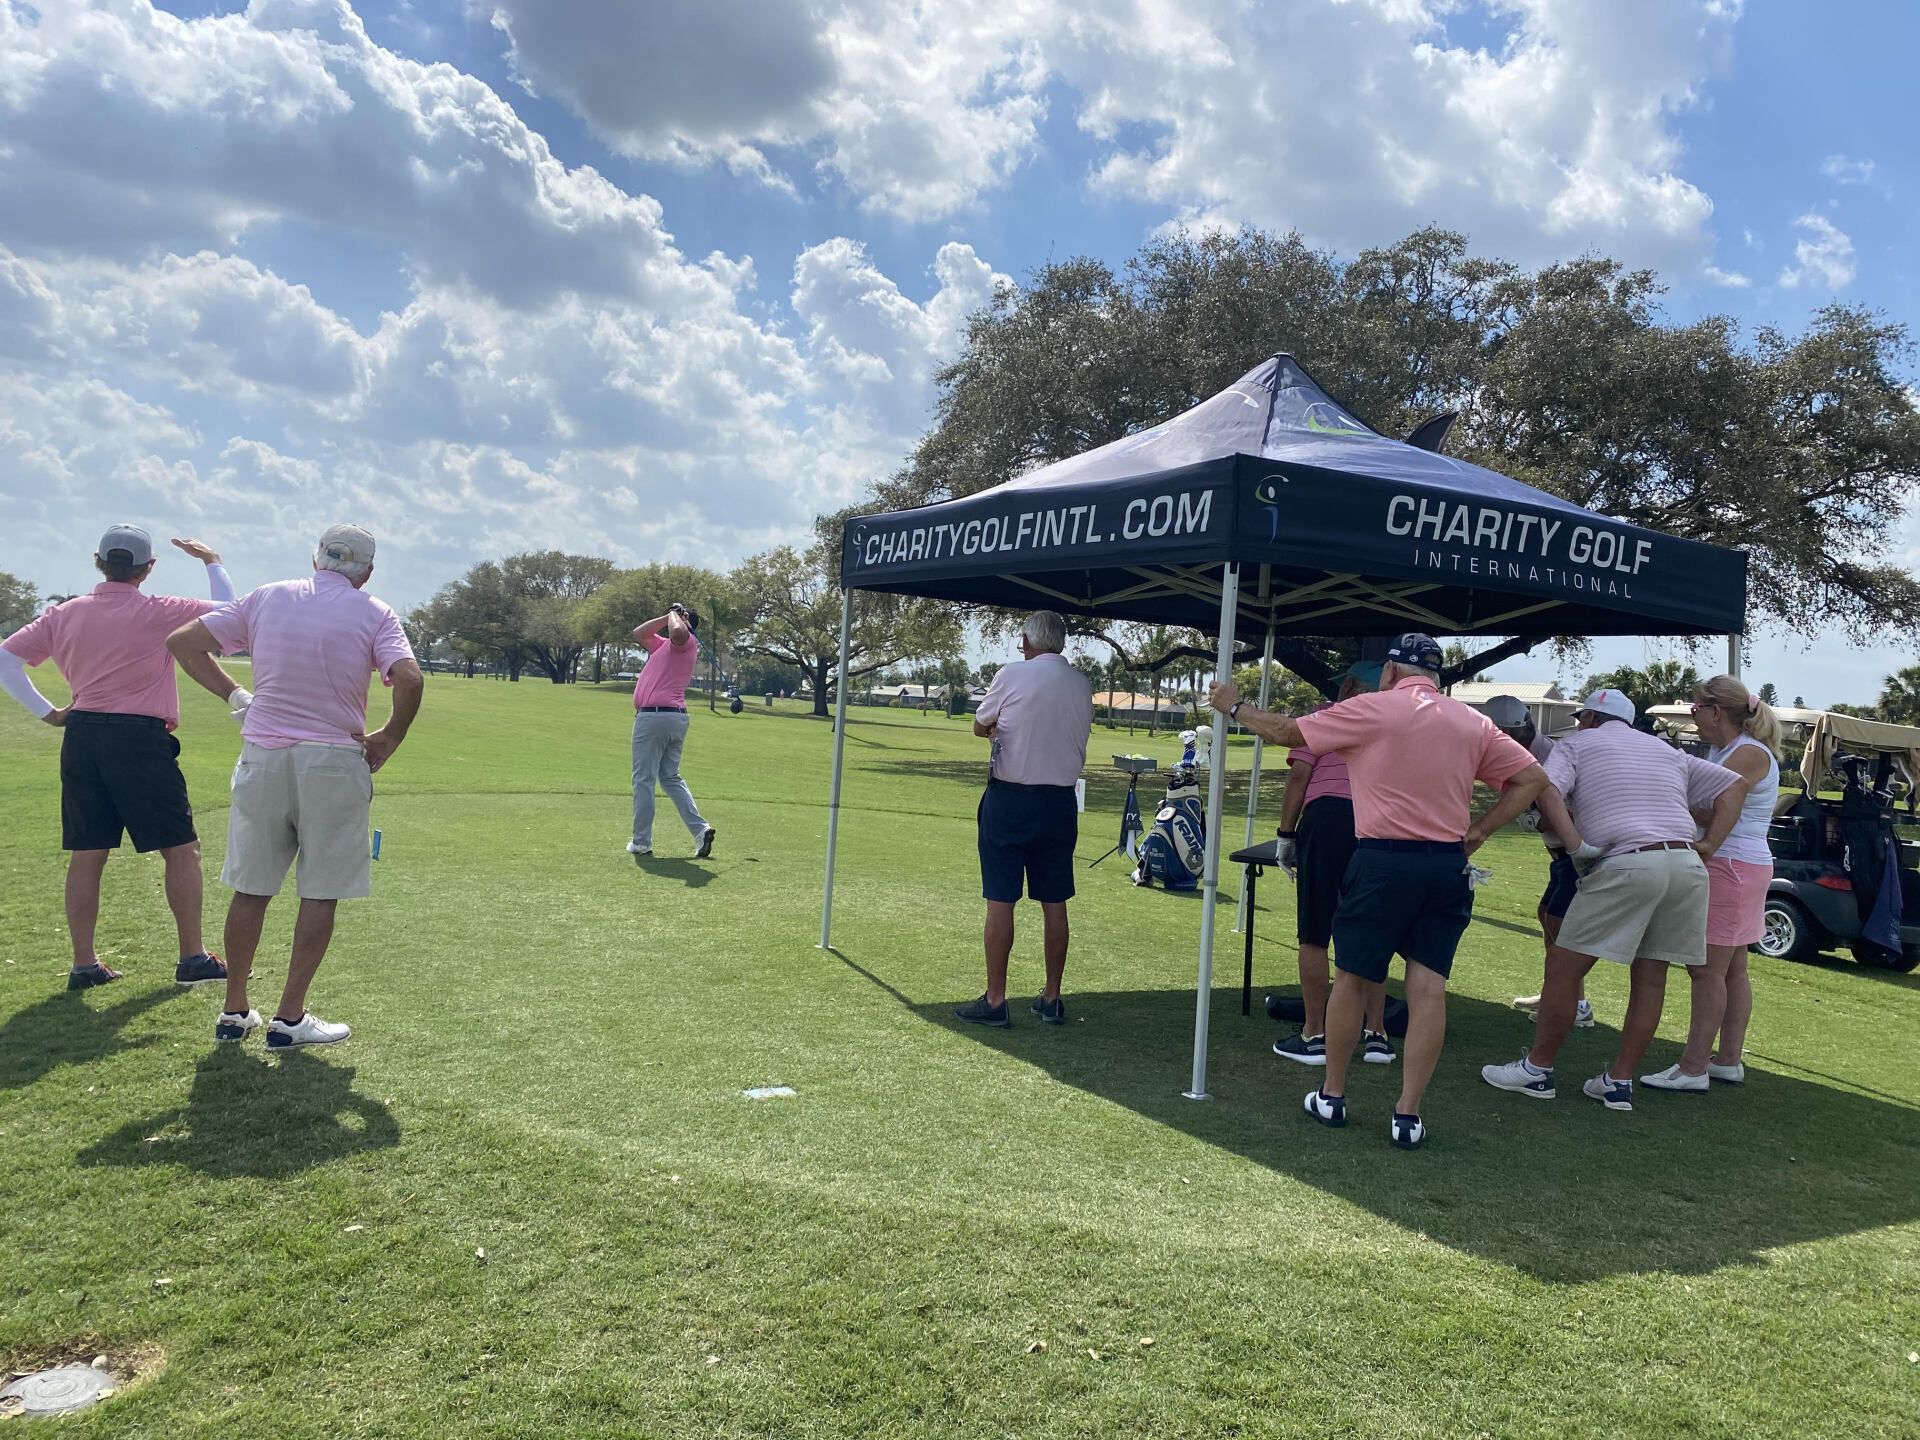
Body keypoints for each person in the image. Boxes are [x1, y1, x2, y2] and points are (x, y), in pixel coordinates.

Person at [1211, 633, 1545, 1149]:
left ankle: (1334, 1093)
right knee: (1428, 987)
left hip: (1383, 860)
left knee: (1353, 977)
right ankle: (1408, 1113)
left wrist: (1233, 706)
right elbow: (1531, 778)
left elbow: (1284, 731)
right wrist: (1477, 833)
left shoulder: (1375, 708)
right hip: (1444, 866)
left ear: (1391, 672)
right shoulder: (1472, 721)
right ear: (1436, 677)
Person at [165, 525, 423, 1050]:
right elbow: (411, 679)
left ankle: (234, 1010)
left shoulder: (267, 597)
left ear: (317, 560)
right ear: (366, 572)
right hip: (332, 761)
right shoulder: (374, 611)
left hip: (263, 758)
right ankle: (289, 1017)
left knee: (252, 888)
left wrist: (237, 696)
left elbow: (184, 644)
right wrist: (389, 739)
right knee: (320, 889)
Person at [1480, 689, 1743, 1113]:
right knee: (1651, 974)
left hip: (1628, 862)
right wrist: (1710, 844)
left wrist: (1576, 845)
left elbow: (1545, 791)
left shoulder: (1576, 745)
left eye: (1582, 716)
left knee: (1565, 967)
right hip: (1686, 867)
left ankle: (1538, 1069)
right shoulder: (1665, 749)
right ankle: (1618, 1082)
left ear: (1590, 718)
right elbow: (1734, 786)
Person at [0, 528, 238, 991]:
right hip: (140, 740)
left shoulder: (63, 614)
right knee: (181, 849)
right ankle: (192, 957)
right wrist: (212, 561)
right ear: (148, 568)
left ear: (98, 561)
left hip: (83, 737)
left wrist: (49, 714)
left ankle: (85, 965)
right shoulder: (160, 611)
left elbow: (6, 660)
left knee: (88, 854)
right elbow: (231, 615)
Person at [955, 610, 1094, 1028]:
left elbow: (981, 725)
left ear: (1028, 641)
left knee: (1001, 898)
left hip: (1011, 800)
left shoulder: (1012, 674)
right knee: (1055, 900)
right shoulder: (1081, 683)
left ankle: (996, 999)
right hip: (1059, 803)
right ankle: (1052, 996)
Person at [1641, 676, 1780, 1091]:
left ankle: (1693, 1067)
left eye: (1696, 708)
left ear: (1716, 711)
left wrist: (1670, 792)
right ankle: (1726, 1060)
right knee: (1733, 969)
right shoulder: (1730, 751)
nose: (1693, 716)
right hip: (1742, 865)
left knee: (1706, 972)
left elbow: (1713, 808)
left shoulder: (1748, 753)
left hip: (1731, 865)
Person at [1270, 661, 1393, 1067]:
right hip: (1377, 824)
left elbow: (1298, 776)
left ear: (1351, 686)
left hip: (1328, 820)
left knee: (1315, 932)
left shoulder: (1327, 714)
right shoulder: (1392, 723)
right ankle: (1376, 1034)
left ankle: (1315, 1033)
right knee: (1370, 932)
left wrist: (1286, 835)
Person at [1487, 695, 1596, 1031]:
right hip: (1560, 853)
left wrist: (1529, 818)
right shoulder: (1528, 749)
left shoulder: (1548, 754)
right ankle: (1558, 992)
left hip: (1573, 853)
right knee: (1546, 915)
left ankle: (1574, 1003)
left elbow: (1561, 811)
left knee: (1562, 924)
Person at [626, 603, 715, 861]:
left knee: (643, 779)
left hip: (655, 717)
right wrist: (668, 615)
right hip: (671, 718)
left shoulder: (684, 641)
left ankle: (641, 842)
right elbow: (638, 633)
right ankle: (701, 830)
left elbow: (677, 632)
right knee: (670, 777)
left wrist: (677, 618)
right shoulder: (664, 646)